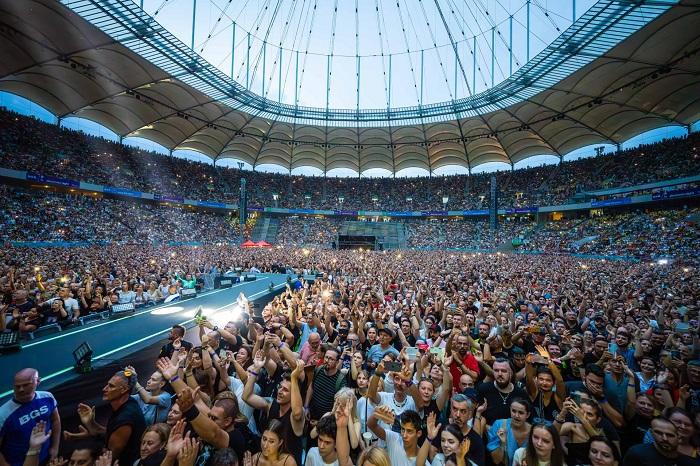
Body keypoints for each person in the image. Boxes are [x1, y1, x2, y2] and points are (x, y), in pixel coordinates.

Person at [64, 370, 146, 466]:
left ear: (124, 390)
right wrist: (90, 423)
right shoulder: (128, 403)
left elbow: (108, 458)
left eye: (111, 386)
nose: (104, 389)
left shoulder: (126, 418)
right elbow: (110, 433)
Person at [0, 368, 61, 466]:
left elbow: (55, 421)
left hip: (45, 457)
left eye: (26, 385)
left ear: (38, 382)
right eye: (17, 386)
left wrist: (55, 448)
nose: (21, 389)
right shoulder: (3, 414)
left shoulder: (48, 397)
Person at [622, 417, 699, 466]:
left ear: (679, 438)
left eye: (670, 435)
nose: (664, 438)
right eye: (658, 433)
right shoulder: (637, 453)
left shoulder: (689, 462)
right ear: (651, 433)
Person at [476, 359, 527, 426]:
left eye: (504, 371)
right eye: (496, 370)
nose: (499, 374)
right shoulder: (483, 389)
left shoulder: (520, 393)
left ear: (511, 373)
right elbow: (477, 416)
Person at [487, 398, 532, 466]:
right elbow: (496, 461)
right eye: (513, 411)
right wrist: (502, 443)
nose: (516, 415)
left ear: (528, 415)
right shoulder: (499, 425)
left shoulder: (533, 432)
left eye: (521, 412)